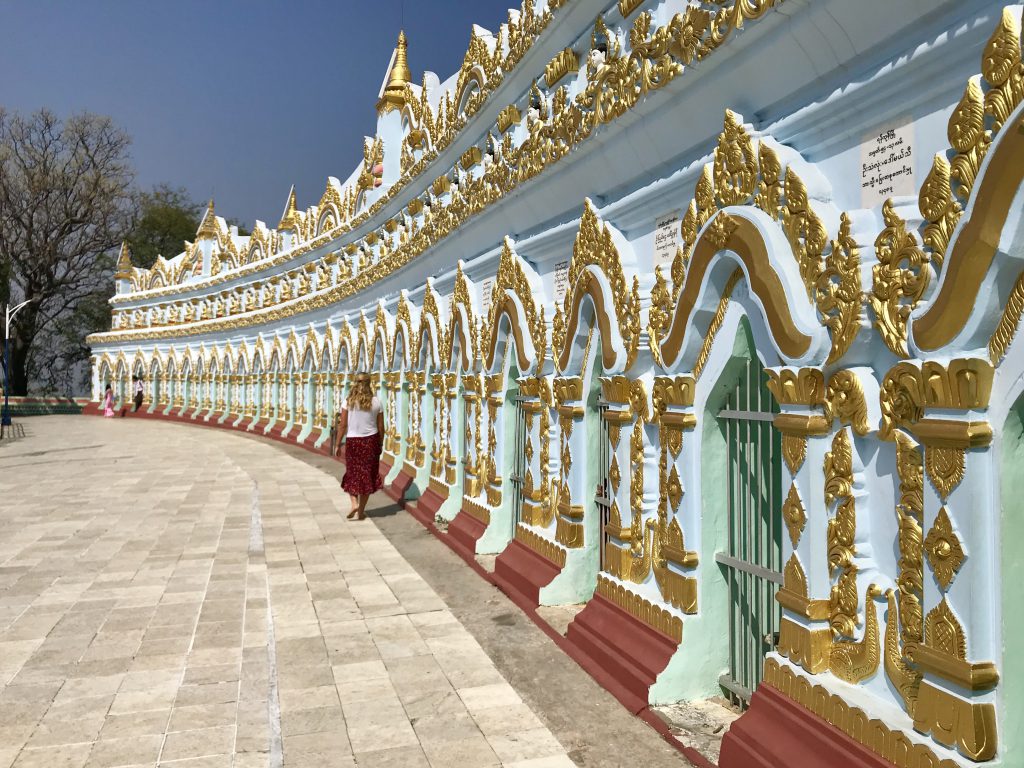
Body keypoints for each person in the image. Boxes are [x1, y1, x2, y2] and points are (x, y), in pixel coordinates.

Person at [333, 373, 383, 520]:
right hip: (370, 441)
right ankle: (361, 511)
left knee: (352, 473)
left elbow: (342, 425)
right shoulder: (376, 402)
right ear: (369, 384)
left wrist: (337, 444)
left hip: (353, 442)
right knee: (368, 475)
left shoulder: (348, 402)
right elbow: (381, 426)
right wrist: (380, 443)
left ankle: (354, 503)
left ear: (355, 383)